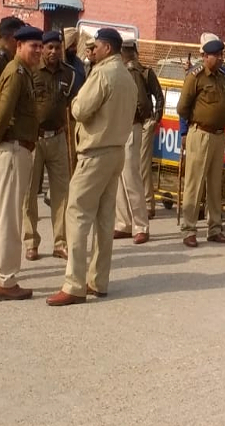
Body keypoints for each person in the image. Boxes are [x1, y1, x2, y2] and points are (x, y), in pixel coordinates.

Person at [46, 28, 137, 306]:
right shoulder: (127, 77)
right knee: (105, 217)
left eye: (95, 46)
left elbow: (81, 110)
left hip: (95, 151)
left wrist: (74, 101)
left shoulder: (103, 74)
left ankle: (74, 283)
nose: (91, 50)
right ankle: (99, 280)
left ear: (107, 48)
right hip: (116, 150)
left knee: (78, 214)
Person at [22, 30, 75, 260]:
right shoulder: (32, 72)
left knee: (62, 194)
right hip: (35, 139)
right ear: (42, 49)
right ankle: (31, 242)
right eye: (49, 47)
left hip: (59, 139)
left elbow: (73, 105)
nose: (54, 51)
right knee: (29, 193)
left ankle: (60, 242)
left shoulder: (70, 75)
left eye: (57, 47)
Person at [176, 38, 225, 247]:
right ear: (205, 56)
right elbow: (182, 107)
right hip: (200, 133)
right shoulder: (195, 77)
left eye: (221, 55)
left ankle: (214, 228)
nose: (220, 59)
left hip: (219, 135)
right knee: (194, 183)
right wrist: (193, 123)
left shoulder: (223, 77)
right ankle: (189, 229)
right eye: (216, 55)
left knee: (215, 183)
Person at [0, 25, 42, 300]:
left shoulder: (23, 72)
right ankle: (6, 279)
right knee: (10, 219)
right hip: (14, 149)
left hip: (18, 149)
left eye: (40, 46)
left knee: (7, 215)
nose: (38, 51)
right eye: (33, 46)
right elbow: (3, 113)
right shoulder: (16, 73)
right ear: (19, 46)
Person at [112, 38, 153, 245]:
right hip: (119, 125)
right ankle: (123, 223)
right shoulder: (119, 70)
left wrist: (137, 117)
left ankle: (140, 225)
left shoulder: (133, 71)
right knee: (119, 177)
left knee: (131, 176)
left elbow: (143, 103)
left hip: (130, 125)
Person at [137, 43, 165, 213]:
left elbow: (159, 96)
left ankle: (148, 204)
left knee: (143, 163)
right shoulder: (123, 73)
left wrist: (156, 117)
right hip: (128, 123)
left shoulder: (146, 73)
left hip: (145, 122)